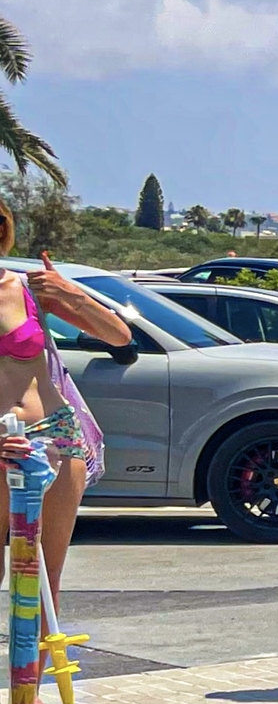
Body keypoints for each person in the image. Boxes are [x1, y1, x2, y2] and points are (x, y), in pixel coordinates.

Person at [0, 197, 131, 598]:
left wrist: (71, 295)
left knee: (43, 577)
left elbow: (120, 337)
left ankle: (38, 663)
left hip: (54, 431)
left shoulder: (25, 288)